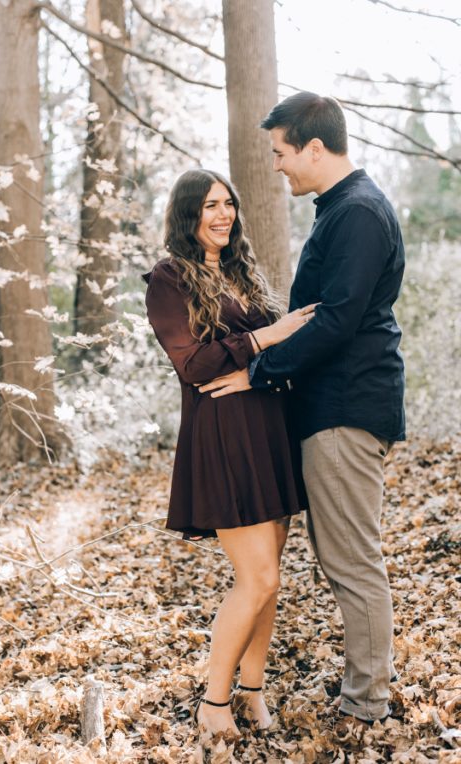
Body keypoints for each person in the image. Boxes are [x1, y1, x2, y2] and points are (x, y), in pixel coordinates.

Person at [200, 92, 406, 732]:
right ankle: (362, 694)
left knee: (351, 562)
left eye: (282, 153)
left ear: (315, 148)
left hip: (347, 409)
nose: (278, 166)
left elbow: (337, 321)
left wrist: (258, 372)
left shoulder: (359, 215)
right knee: (344, 558)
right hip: (331, 407)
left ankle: (366, 706)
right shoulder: (341, 210)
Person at [144, 169, 315, 738]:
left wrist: (264, 352)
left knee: (272, 579)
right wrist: (268, 336)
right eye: (209, 206)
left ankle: (252, 690)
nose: (222, 215)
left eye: (228, 205)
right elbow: (192, 366)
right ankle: (213, 703)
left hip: (270, 428)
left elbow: (268, 353)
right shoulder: (169, 279)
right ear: (187, 214)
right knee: (258, 578)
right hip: (223, 435)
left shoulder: (243, 272)